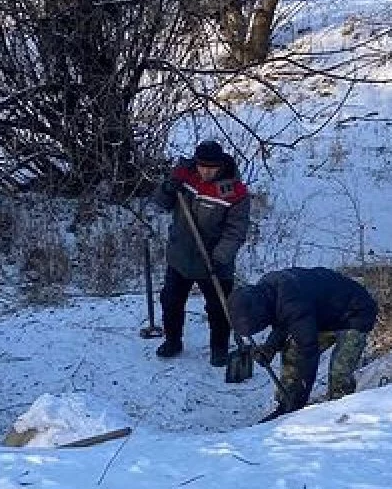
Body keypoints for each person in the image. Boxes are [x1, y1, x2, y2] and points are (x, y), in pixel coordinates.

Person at [228, 267, 379, 421]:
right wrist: (270, 348)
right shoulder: (267, 292)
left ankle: (341, 412)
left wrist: (300, 398)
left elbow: (308, 351)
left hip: (356, 313)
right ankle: (285, 404)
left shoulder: (291, 301)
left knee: (339, 370)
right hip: (324, 316)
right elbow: (284, 321)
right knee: (291, 352)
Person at [153, 140, 252, 368]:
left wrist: (220, 257)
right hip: (181, 255)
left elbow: (235, 232)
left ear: (220, 165)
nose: (205, 171)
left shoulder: (235, 192)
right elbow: (161, 203)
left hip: (214, 262)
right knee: (171, 301)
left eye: (211, 167)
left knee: (218, 307)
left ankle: (219, 349)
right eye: (202, 166)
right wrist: (168, 187)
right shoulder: (185, 176)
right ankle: (173, 341)